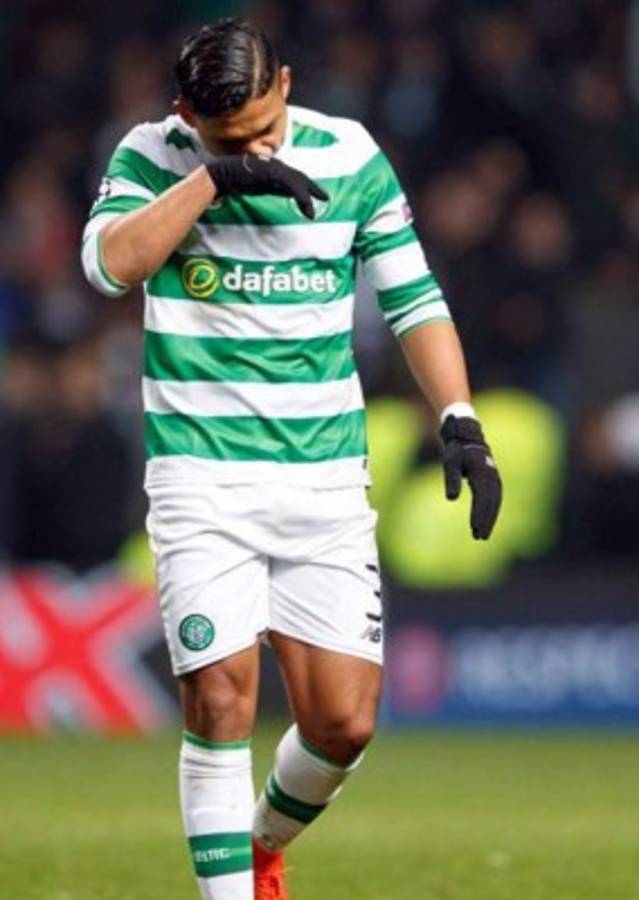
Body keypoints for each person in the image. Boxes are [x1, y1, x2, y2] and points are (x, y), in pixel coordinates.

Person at [81, 17, 502, 900]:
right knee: (219, 699)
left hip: (324, 478)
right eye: (227, 139)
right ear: (184, 115)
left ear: (285, 83)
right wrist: (212, 179)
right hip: (200, 472)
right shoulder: (152, 155)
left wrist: (459, 418)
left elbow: (413, 299)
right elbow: (111, 267)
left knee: (343, 724)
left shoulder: (350, 155)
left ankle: (258, 846)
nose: (257, 151)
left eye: (262, 129)